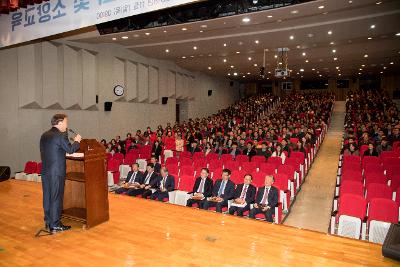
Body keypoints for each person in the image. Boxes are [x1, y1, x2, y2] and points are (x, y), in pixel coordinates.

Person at [40, 114, 82, 233]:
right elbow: (70, 150)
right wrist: (77, 141)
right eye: (65, 122)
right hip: (56, 172)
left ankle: (48, 221)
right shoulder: (59, 136)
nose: (66, 125)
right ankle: (56, 224)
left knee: (47, 197)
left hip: (45, 172)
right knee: (56, 197)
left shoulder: (44, 135)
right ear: (59, 123)